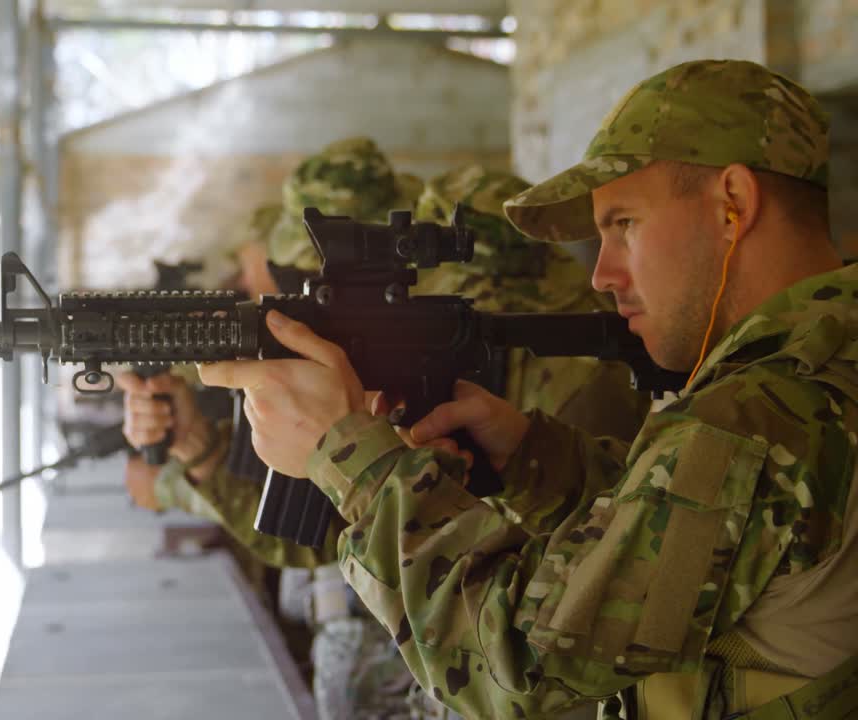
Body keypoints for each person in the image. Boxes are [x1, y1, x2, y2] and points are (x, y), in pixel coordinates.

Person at [200, 58, 858, 720]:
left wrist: (348, 454)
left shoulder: (752, 419)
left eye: (624, 224)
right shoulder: (823, 363)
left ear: (732, 204)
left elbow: (516, 667)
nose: (601, 274)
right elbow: (725, 537)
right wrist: (535, 462)